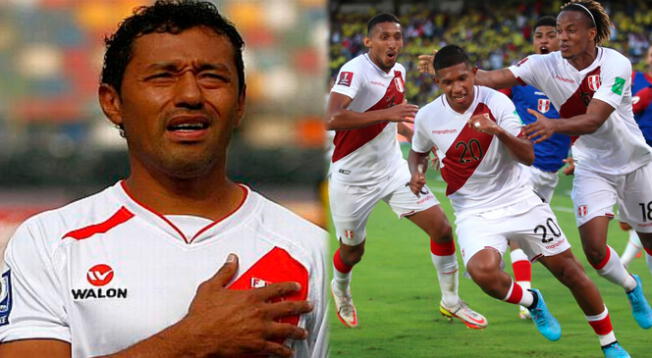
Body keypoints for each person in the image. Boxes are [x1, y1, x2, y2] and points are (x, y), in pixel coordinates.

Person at [0, 1, 327, 357]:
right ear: (113, 103)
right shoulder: (49, 243)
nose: (190, 95)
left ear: (241, 103)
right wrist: (191, 341)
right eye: (162, 76)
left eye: (212, 77)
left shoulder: (311, 250)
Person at [410, 44, 631, 358]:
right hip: (474, 211)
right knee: (483, 273)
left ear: (474, 74)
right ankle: (533, 301)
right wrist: (416, 173)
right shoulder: (428, 116)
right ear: (437, 84)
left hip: (520, 200)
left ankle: (610, 343)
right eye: (448, 82)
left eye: (462, 78)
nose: (457, 88)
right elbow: (417, 152)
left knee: (570, 271)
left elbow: (527, 156)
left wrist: (497, 130)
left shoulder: (497, 101)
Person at [471, 0, 652, 330]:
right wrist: (457, 72)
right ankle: (632, 287)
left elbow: (595, 118)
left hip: (636, 163)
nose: (563, 37)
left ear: (592, 34)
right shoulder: (542, 64)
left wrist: (554, 126)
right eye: (560, 31)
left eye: (571, 31)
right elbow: (492, 78)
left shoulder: (616, 63)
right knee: (595, 252)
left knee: (650, 238)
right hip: (593, 166)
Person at [327, 13, 486, 329]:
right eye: (384, 37)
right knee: (352, 251)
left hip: (392, 170)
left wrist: (422, 141)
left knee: (441, 228)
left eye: (397, 37)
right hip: (352, 179)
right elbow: (331, 118)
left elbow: (398, 118)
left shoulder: (398, 71)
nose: (392, 43)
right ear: (369, 41)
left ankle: (451, 301)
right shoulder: (354, 71)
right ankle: (340, 288)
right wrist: (388, 113)